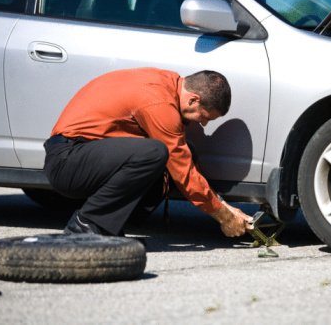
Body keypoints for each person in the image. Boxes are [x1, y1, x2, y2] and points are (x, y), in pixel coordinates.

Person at [43, 67, 253, 238]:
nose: (204, 124)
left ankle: (110, 227)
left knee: (179, 152)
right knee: (155, 152)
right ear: (193, 100)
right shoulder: (159, 102)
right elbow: (183, 172)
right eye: (205, 116)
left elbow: (185, 160)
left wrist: (223, 204)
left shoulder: (167, 83)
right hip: (67, 161)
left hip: (83, 155)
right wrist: (223, 216)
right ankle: (87, 223)